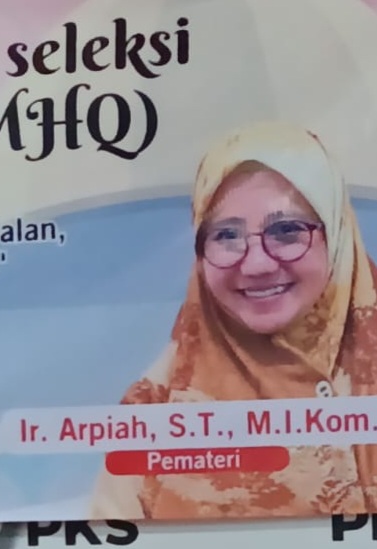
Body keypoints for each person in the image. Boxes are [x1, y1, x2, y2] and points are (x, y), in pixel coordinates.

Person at [90, 121, 377, 519]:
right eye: (226, 235)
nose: (257, 264)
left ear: (336, 235)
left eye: (287, 230)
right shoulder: (156, 410)